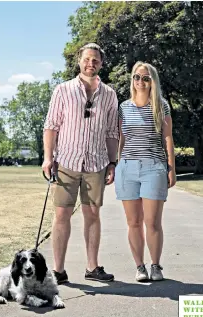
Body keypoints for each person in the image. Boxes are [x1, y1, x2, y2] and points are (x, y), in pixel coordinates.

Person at [42, 43, 119, 284]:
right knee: (62, 214)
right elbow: (51, 126)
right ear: (80, 61)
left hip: (96, 163)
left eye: (95, 60)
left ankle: (92, 267)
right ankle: (58, 270)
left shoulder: (109, 94)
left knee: (93, 214)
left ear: (101, 64)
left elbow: (111, 131)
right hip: (66, 161)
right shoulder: (63, 90)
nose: (91, 64)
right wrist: (47, 157)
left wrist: (112, 162)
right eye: (87, 59)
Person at [115, 61, 176, 282]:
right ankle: (140, 267)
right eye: (137, 77)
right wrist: (116, 164)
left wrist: (172, 168)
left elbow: (167, 138)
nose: (140, 81)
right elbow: (121, 138)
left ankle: (156, 266)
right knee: (133, 222)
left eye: (145, 78)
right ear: (132, 80)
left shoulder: (161, 105)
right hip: (127, 168)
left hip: (153, 166)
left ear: (153, 81)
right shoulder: (123, 107)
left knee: (152, 222)